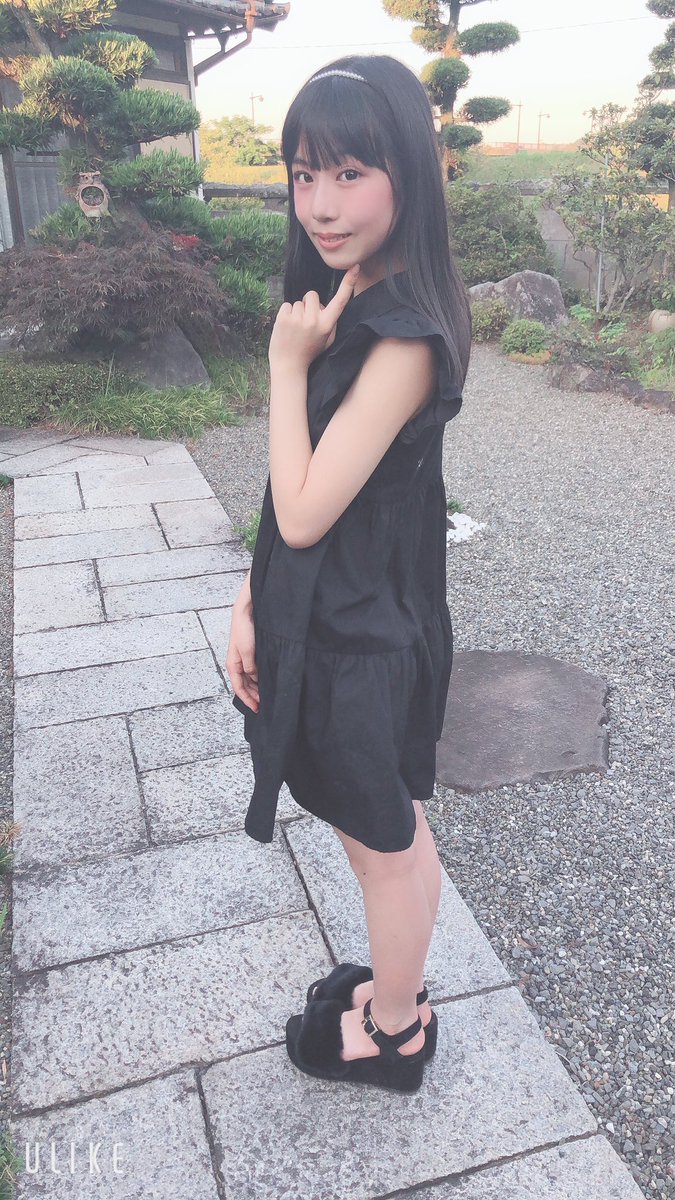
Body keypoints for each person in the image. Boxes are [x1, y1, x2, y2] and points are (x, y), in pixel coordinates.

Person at [226, 54, 472, 1094]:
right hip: (335, 621)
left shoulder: (403, 336)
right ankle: (397, 990)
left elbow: (305, 507)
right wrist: (250, 597)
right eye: (302, 175)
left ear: (406, 171)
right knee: (392, 837)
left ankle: (394, 1033)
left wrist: (283, 368)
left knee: (383, 849)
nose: (320, 205)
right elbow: (298, 492)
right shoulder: (352, 289)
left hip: (358, 640)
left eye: (349, 174)